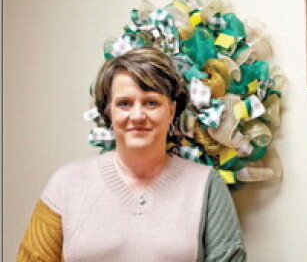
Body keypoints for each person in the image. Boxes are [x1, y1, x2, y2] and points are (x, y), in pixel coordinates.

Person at [17, 47, 246, 262]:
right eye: (124, 103)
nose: (137, 115)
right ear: (108, 111)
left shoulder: (206, 185)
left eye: (151, 103)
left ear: (171, 110)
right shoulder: (66, 183)